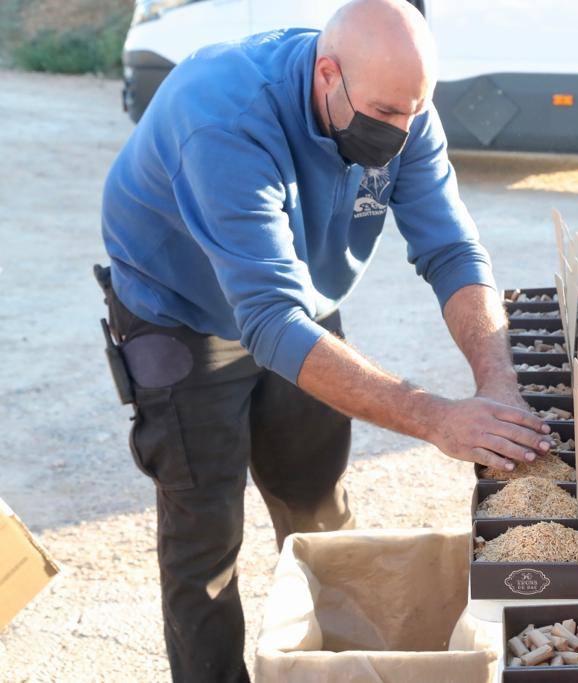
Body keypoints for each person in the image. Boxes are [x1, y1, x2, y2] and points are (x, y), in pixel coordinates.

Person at [97, 1, 552, 679]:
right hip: (179, 314)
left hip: (294, 302)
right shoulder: (224, 116)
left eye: (413, 112)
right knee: (205, 546)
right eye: (385, 114)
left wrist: (498, 380)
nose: (400, 132)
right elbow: (270, 321)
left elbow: (453, 249)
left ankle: (337, 670)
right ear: (326, 76)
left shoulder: (396, 102)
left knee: (319, 508)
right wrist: (436, 417)